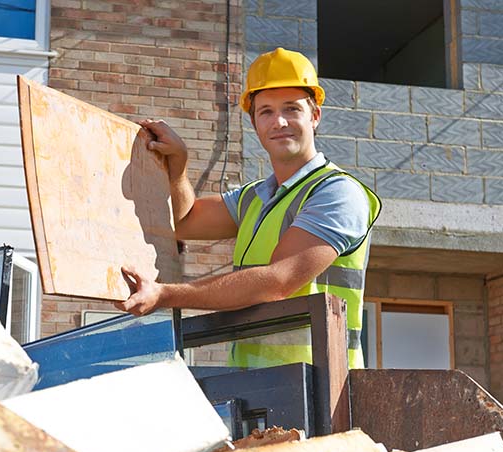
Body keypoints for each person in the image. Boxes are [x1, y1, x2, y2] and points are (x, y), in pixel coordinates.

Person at [115, 48, 381, 369]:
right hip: (255, 382)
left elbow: (277, 282)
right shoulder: (255, 197)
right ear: (254, 122)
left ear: (315, 116)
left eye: (292, 108)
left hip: (321, 384)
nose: (279, 121)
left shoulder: (337, 192)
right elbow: (184, 223)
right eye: (266, 111)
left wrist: (166, 294)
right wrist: (179, 164)